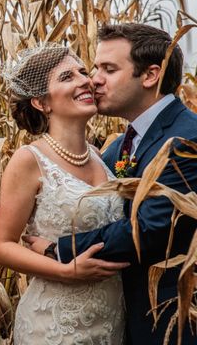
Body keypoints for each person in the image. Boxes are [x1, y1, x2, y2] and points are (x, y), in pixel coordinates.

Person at [23, 23, 197, 344]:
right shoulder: (115, 149)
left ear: (150, 76)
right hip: (110, 317)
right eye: (95, 67)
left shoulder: (187, 138)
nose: (94, 79)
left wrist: (57, 248)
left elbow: (150, 228)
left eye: (108, 69)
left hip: (170, 319)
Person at [0, 43, 129, 344]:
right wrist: (65, 271)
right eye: (67, 77)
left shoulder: (102, 157)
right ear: (42, 102)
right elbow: (0, 245)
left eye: (83, 71)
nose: (84, 80)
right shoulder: (29, 160)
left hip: (111, 318)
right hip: (54, 325)